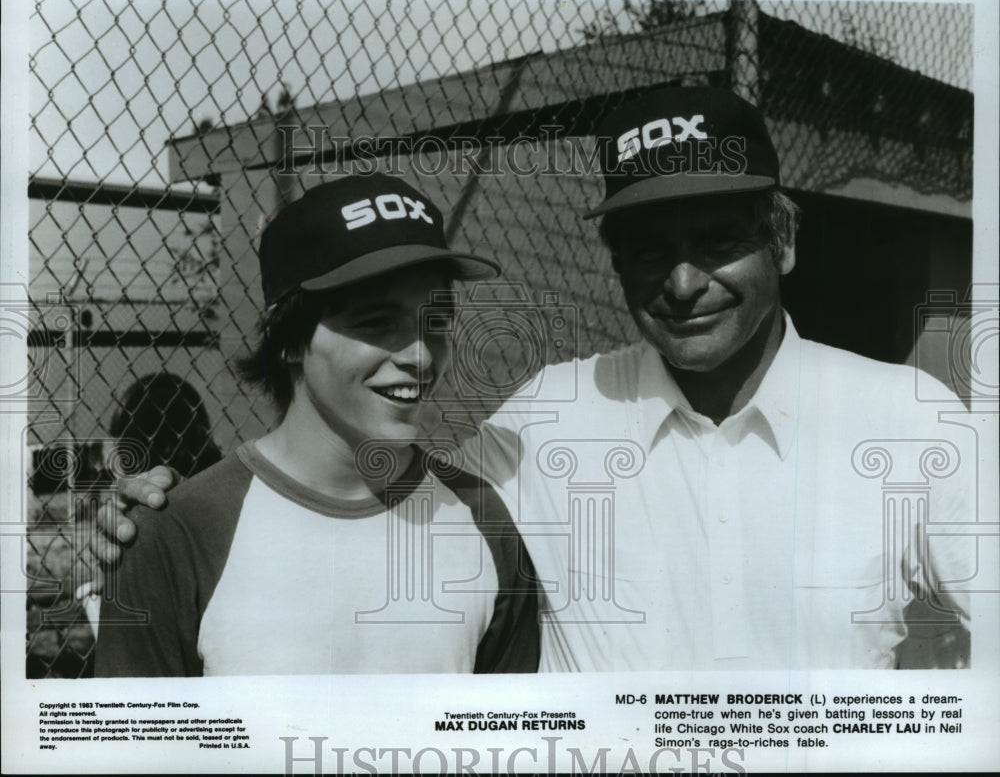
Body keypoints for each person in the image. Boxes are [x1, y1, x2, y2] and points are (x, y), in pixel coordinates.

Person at [96, 87, 972, 670]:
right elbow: (368, 502)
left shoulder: (908, 419)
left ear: (781, 236)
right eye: (649, 249)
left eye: (717, 239)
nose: (682, 281)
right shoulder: (550, 416)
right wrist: (157, 517)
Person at [94, 173, 540, 676]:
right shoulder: (174, 534)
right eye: (376, 323)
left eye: (436, 323)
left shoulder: (484, 520)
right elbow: (139, 752)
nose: (419, 355)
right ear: (289, 339)